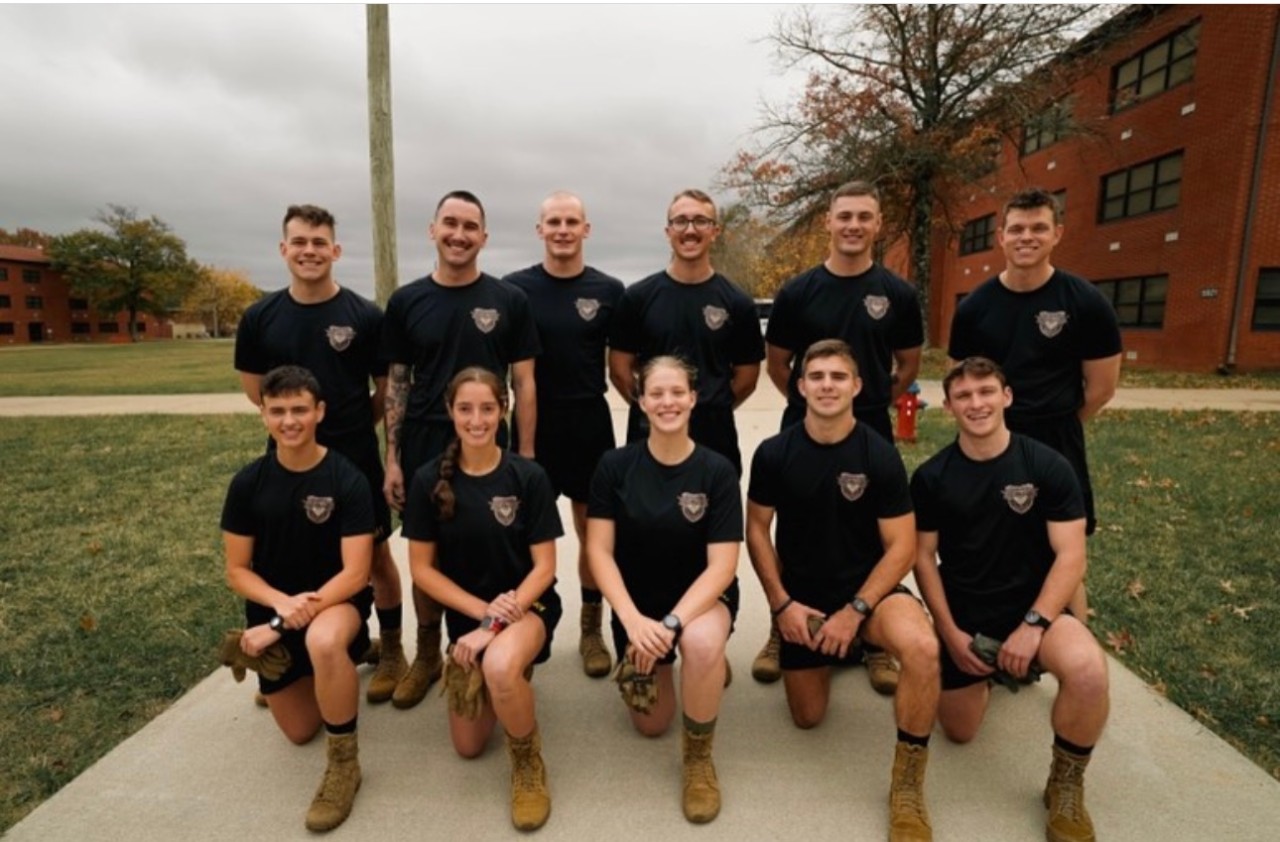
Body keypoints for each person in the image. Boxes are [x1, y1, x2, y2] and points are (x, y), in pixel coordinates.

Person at [746, 339, 938, 841]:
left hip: (869, 596)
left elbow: (902, 547)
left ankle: (907, 784)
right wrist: (782, 605)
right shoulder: (774, 453)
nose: (827, 385)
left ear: (857, 386)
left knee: (922, 647)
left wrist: (855, 611)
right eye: (817, 376)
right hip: (804, 602)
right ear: (800, 386)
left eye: (838, 376)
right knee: (808, 717)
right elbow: (756, 530)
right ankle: (835, 648)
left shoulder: (879, 454)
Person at [911, 357, 1110, 842]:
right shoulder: (933, 477)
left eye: (986, 392)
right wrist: (950, 634)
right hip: (967, 614)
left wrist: (1034, 625)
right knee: (960, 731)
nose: (976, 403)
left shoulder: (1047, 465)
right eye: (963, 395)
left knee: (1088, 671)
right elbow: (923, 559)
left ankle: (1065, 784)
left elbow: (1071, 556)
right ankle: (993, 671)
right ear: (948, 406)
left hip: (1035, 607)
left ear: (1007, 396)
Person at [235, 204, 408, 705]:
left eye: (318, 242)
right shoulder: (259, 317)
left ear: (335, 250)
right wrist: (296, 430)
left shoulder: (364, 316)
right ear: (283, 249)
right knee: (293, 555)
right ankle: (299, 655)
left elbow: (386, 390)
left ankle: (391, 649)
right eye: (299, 242)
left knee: (375, 556)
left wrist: (352, 426)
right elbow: (255, 390)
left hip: (354, 457)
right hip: (287, 460)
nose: (309, 251)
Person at [755, 180, 924, 688]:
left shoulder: (897, 294)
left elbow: (908, 363)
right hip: (803, 422)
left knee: (873, 527)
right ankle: (782, 625)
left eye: (864, 217)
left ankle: (873, 637)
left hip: (869, 420)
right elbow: (778, 362)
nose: (853, 225)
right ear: (828, 222)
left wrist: (865, 401)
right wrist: (813, 402)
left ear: (878, 224)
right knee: (796, 526)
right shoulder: (797, 292)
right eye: (844, 216)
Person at [381, 190, 542, 708]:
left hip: (489, 438)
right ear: (433, 230)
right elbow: (397, 383)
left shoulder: (509, 300)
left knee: (499, 542)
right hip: (425, 440)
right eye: (449, 223)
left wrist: (528, 453)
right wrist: (392, 458)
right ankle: (428, 653)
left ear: (484, 237)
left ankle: (505, 635)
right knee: (426, 551)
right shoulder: (406, 302)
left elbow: (524, 381)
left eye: (470, 226)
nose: (459, 234)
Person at [947, 186, 1122, 620]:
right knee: (995, 541)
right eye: (1017, 229)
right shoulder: (974, 308)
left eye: (1039, 228)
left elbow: (1101, 387)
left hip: (1057, 440)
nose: (1027, 237)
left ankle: (1073, 645)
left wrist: (1058, 421)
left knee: (1064, 552)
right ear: (1001, 237)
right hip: (992, 442)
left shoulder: (1086, 302)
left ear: (1057, 233)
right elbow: (960, 384)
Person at [403, 367, 562, 832]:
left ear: (504, 410)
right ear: (450, 412)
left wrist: (496, 623)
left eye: (488, 408)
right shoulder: (428, 480)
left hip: (528, 606)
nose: (477, 420)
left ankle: (527, 763)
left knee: (499, 666)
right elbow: (421, 570)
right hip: (469, 618)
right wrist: (480, 615)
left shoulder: (528, 476)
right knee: (468, 746)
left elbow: (545, 568)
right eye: (466, 409)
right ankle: (506, 671)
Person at [586, 355, 741, 824]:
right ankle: (689, 666)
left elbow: (723, 567)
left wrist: (673, 624)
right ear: (640, 400)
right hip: (637, 606)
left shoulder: (717, 470)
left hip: (698, 603)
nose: (667, 402)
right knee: (652, 725)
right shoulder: (614, 466)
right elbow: (598, 552)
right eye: (656, 393)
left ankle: (698, 759)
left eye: (677, 392)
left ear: (693, 399)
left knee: (700, 643)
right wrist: (632, 620)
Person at [219, 366, 374, 832]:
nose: (290, 421)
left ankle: (344, 764)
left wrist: (283, 622)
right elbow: (237, 570)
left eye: (300, 410)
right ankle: (342, 661)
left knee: (323, 642)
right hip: (274, 610)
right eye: (278, 411)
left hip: (335, 605)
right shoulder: (247, 484)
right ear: (263, 414)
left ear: (319, 412)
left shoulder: (347, 479)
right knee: (301, 730)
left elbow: (356, 573)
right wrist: (279, 604)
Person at [503, 191, 625, 679]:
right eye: (553, 221)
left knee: (595, 533)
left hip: (589, 422)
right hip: (532, 425)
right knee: (520, 536)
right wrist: (524, 447)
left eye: (572, 221)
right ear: (540, 230)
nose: (562, 230)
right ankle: (522, 625)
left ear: (586, 229)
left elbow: (626, 361)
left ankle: (591, 628)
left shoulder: (610, 290)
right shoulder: (515, 290)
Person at [608, 188, 763, 477]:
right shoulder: (637, 298)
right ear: (668, 231)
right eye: (680, 221)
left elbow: (747, 378)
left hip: (716, 438)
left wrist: (709, 406)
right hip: (648, 437)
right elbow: (619, 369)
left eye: (700, 221)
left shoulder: (737, 303)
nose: (690, 230)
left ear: (715, 231)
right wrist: (656, 408)